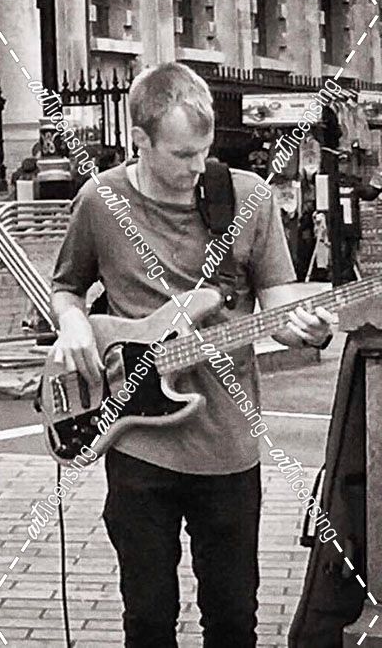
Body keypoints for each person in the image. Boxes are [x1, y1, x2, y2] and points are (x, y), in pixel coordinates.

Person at [49, 62, 335, 648]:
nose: (197, 167)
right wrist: (72, 322)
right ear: (141, 139)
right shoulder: (101, 200)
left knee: (232, 621)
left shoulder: (247, 197)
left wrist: (308, 329)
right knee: (148, 620)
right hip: (136, 438)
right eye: (181, 154)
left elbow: (281, 307)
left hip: (228, 445)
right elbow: (67, 286)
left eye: (204, 151)